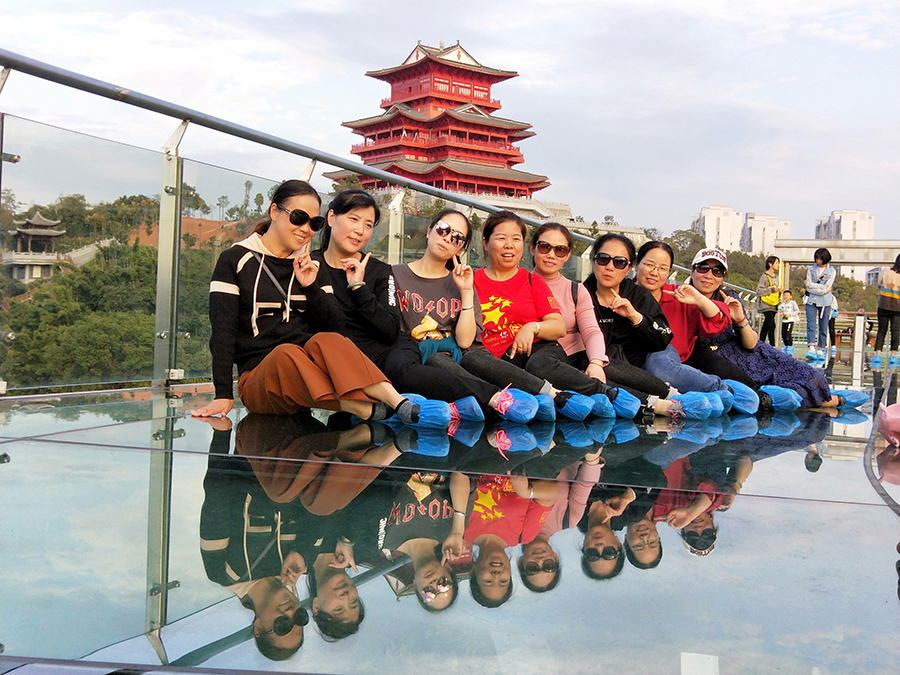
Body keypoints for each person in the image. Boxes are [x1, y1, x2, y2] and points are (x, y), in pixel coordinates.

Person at [192, 180, 433, 427]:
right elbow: (222, 333)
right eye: (298, 218)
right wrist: (223, 393)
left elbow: (335, 328)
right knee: (285, 353)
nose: (306, 229)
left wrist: (310, 286)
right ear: (274, 211)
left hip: (309, 377)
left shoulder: (311, 264)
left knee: (326, 340)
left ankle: (397, 401)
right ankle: (360, 406)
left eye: (313, 223)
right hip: (259, 381)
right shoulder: (235, 260)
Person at [388, 209, 539, 422]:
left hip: (458, 358)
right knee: (436, 359)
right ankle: (498, 402)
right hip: (418, 361)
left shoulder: (461, 283)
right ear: (429, 230)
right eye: (443, 229)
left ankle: (546, 396)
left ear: (461, 248)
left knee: (472, 359)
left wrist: (466, 291)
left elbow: (465, 341)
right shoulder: (393, 275)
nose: (447, 238)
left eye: (457, 238)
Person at [527, 223, 683, 418]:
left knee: (602, 364)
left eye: (560, 250)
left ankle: (674, 396)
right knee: (583, 372)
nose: (551, 255)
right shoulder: (522, 285)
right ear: (532, 248)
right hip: (551, 358)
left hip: (590, 355)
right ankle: (652, 403)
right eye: (544, 247)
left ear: (568, 255)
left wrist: (596, 361)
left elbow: (592, 331)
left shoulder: (578, 290)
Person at [458, 210, 595, 421]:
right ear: (485, 243)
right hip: (501, 363)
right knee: (472, 360)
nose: (509, 245)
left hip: (538, 352)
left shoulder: (532, 280)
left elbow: (558, 327)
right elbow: (465, 341)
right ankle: (547, 398)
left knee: (538, 365)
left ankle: (599, 393)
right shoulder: (470, 281)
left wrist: (532, 327)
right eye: (501, 238)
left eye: (516, 239)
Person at [691, 248, 866, 410]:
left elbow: (751, 344)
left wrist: (740, 319)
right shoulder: (683, 299)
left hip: (743, 351)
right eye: (703, 268)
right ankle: (827, 401)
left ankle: (820, 399)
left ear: (722, 277)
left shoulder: (729, 297)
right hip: (716, 360)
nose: (709, 275)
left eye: (717, 271)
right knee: (779, 393)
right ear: (692, 272)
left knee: (809, 375)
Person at [583, 233, 720, 418]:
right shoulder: (581, 295)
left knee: (661, 370)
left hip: (651, 351)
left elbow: (663, 337)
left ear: (629, 267)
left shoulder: (638, 295)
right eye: (603, 259)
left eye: (619, 262)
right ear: (594, 260)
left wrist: (635, 317)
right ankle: (671, 401)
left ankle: (719, 388)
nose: (609, 267)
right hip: (613, 363)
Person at [633, 241, 760, 415]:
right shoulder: (623, 294)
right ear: (636, 265)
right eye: (649, 265)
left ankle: (726, 390)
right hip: (635, 361)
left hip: (667, 360)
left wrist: (700, 300)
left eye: (662, 268)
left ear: (669, 272)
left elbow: (717, 320)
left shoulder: (680, 295)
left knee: (661, 368)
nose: (654, 273)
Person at [804, 248, 836, 360]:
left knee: (823, 325)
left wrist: (813, 286)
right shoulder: (811, 269)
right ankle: (811, 347)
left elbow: (827, 287)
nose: (818, 261)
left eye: (820, 259)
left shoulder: (831, 271)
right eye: (816, 258)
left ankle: (821, 348)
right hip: (811, 300)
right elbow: (808, 286)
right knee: (811, 324)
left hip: (825, 301)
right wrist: (821, 288)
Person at [873, 254, 900, 367]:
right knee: (895, 331)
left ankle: (878, 354)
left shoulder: (886, 271)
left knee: (881, 330)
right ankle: (893, 356)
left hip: (883, 305)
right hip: (897, 307)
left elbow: (879, 285)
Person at [756, 256, 782, 347]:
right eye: (776, 263)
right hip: (766, 305)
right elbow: (759, 291)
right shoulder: (764, 277)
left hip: (774, 304)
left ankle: (760, 344)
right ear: (770, 264)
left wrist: (778, 292)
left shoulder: (776, 277)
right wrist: (772, 290)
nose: (778, 265)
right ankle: (772, 345)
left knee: (766, 326)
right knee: (771, 325)